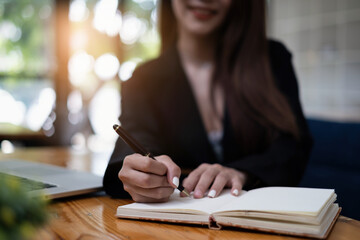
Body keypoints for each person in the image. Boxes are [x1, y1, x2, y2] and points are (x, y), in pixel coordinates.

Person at [103, 0, 313, 202]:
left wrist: (243, 173)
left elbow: (293, 147)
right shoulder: (143, 79)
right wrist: (139, 172)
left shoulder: (272, 60)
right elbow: (133, 138)